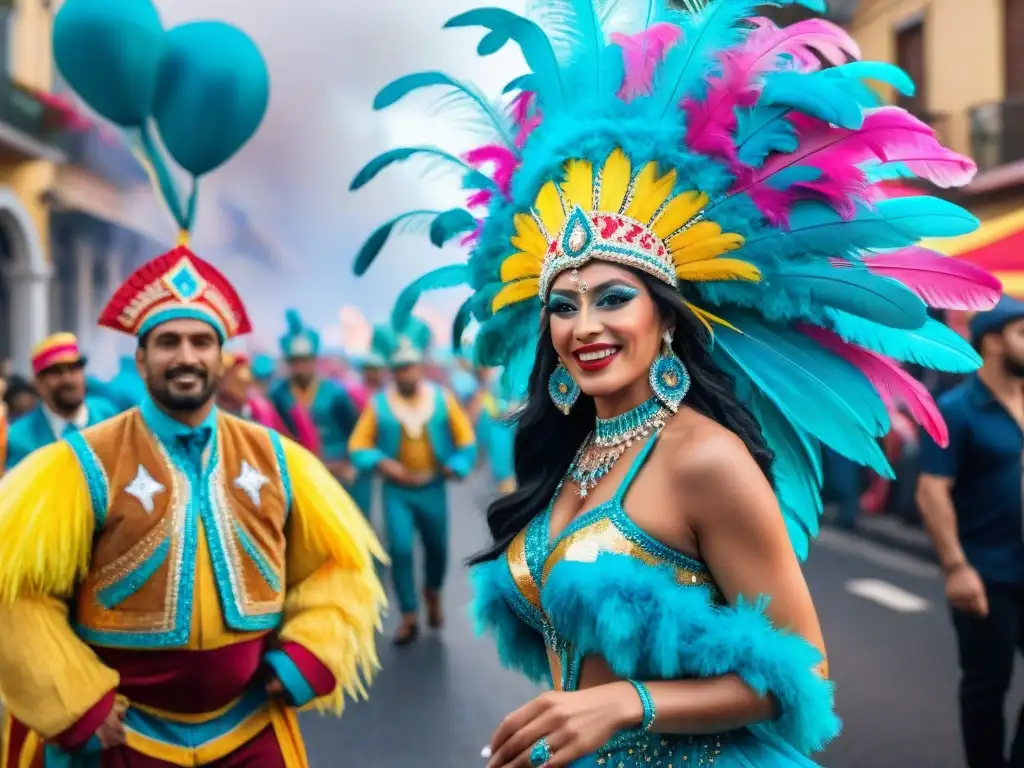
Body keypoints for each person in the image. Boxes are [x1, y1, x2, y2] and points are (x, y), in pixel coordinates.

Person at [351, 0, 990, 763]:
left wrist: (630, 703)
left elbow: (804, 671)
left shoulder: (704, 458)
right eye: (564, 306)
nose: (585, 326)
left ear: (665, 320)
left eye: (614, 298)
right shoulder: (574, 451)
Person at [0, 6, 386, 765]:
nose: (186, 355)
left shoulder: (280, 460)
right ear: (141, 359)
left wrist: (307, 653)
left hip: (248, 728)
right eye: (168, 342)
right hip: (125, 735)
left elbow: (338, 567)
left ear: (221, 356)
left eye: (200, 341)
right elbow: (14, 591)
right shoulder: (75, 465)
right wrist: (75, 703)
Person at [917, 296, 1024, 768]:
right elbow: (931, 491)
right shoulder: (956, 409)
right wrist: (956, 567)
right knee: (987, 686)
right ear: (994, 342)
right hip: (987, 573)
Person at [349, 318, 476, 645]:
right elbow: (358, 445)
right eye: (399, 369)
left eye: (410, 367)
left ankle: (432, 592)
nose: (406, 374)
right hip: (397, 491)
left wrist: (457, 464)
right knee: (400, 549)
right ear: (392, 371)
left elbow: (466, 440)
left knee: (437, 549)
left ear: (420, 367)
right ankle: (408, 613)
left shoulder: (441, 399)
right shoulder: (380, 404)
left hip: (433, 487)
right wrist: (383, 463)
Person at [270, 310, 370, 515]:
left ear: (314, 360)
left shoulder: (335, 392)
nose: (301, 367)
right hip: (300, 469)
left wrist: (349, 463)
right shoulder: (279, 394)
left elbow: (355, 431)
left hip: (338, 467)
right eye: (295, 361)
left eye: (305, 360)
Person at [5, 333, 118, 470]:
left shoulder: (108, 415)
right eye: (56, 372)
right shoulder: (20, 437)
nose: (68, 379)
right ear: (38, 383)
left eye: (74, 368)